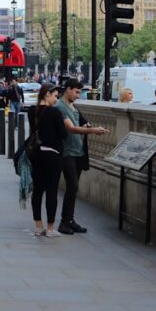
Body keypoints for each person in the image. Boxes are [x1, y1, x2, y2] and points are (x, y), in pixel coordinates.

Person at [56, 78, 109, 235]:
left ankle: (69, 220)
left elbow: (80, 123)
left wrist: (87, 126)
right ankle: (64, 222)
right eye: (76, 92)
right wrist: (93, 130)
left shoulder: (73, 107)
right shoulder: (60, 107)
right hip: (67, 152)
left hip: (77, 151)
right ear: (68, 89)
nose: (78, 95)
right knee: (72, 185)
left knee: (73, 188)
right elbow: (71, 128)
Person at [28, 83, 63, 236]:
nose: (56, 100)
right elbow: (63, 134)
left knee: (38, 190)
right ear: (47, 94)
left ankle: (38, 226)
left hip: (36, 154)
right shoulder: (54, 112)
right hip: (52, 154)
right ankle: (50, 228)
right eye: (55, 96)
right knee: (51, 191)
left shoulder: (32, 111)